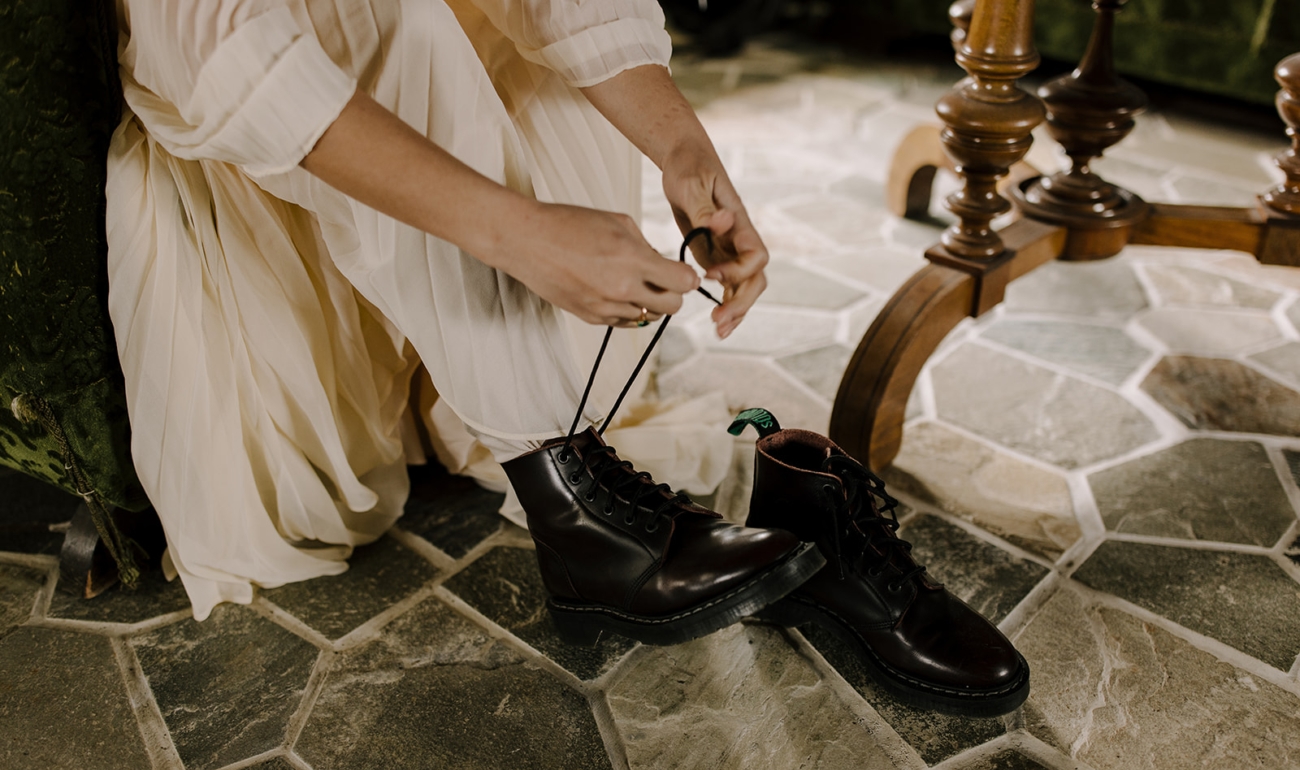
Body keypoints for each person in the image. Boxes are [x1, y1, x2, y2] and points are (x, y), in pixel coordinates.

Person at [108, 0, 1028, 715]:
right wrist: (522, 237)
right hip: (255, 75)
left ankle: (767, 519)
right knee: (390, 18)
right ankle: (572, 503)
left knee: (524, 62)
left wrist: (681, 148)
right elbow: (229, 54)